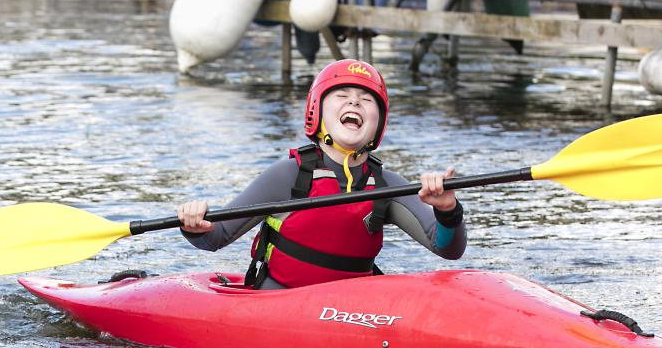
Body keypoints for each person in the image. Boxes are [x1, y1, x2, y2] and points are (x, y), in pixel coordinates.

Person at [176, 59, 465, 289]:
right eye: (342, 95)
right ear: (317, 111)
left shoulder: (387, 185)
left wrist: (448, 210)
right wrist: (194, 226)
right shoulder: (287, 176)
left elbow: (447, 249)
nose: (354, 103)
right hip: (280, 305)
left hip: (356, 313)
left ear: (379, 122)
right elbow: (216, 238)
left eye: (366, 100)